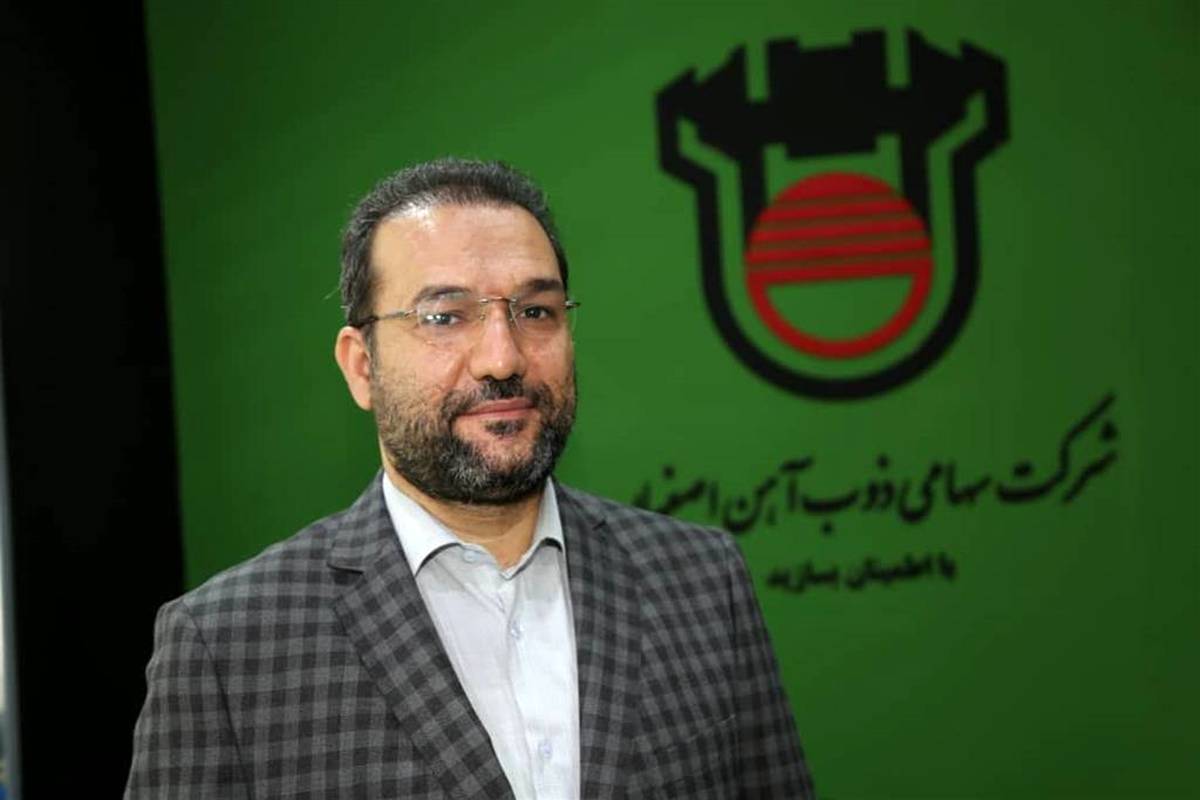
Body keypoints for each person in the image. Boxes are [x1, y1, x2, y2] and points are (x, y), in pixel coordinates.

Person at [125, 158, 815, 799]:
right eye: (445, 317)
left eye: (535, 311)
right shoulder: (228, 646)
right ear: (362, 367)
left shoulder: (702, 581)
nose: (502, 358)